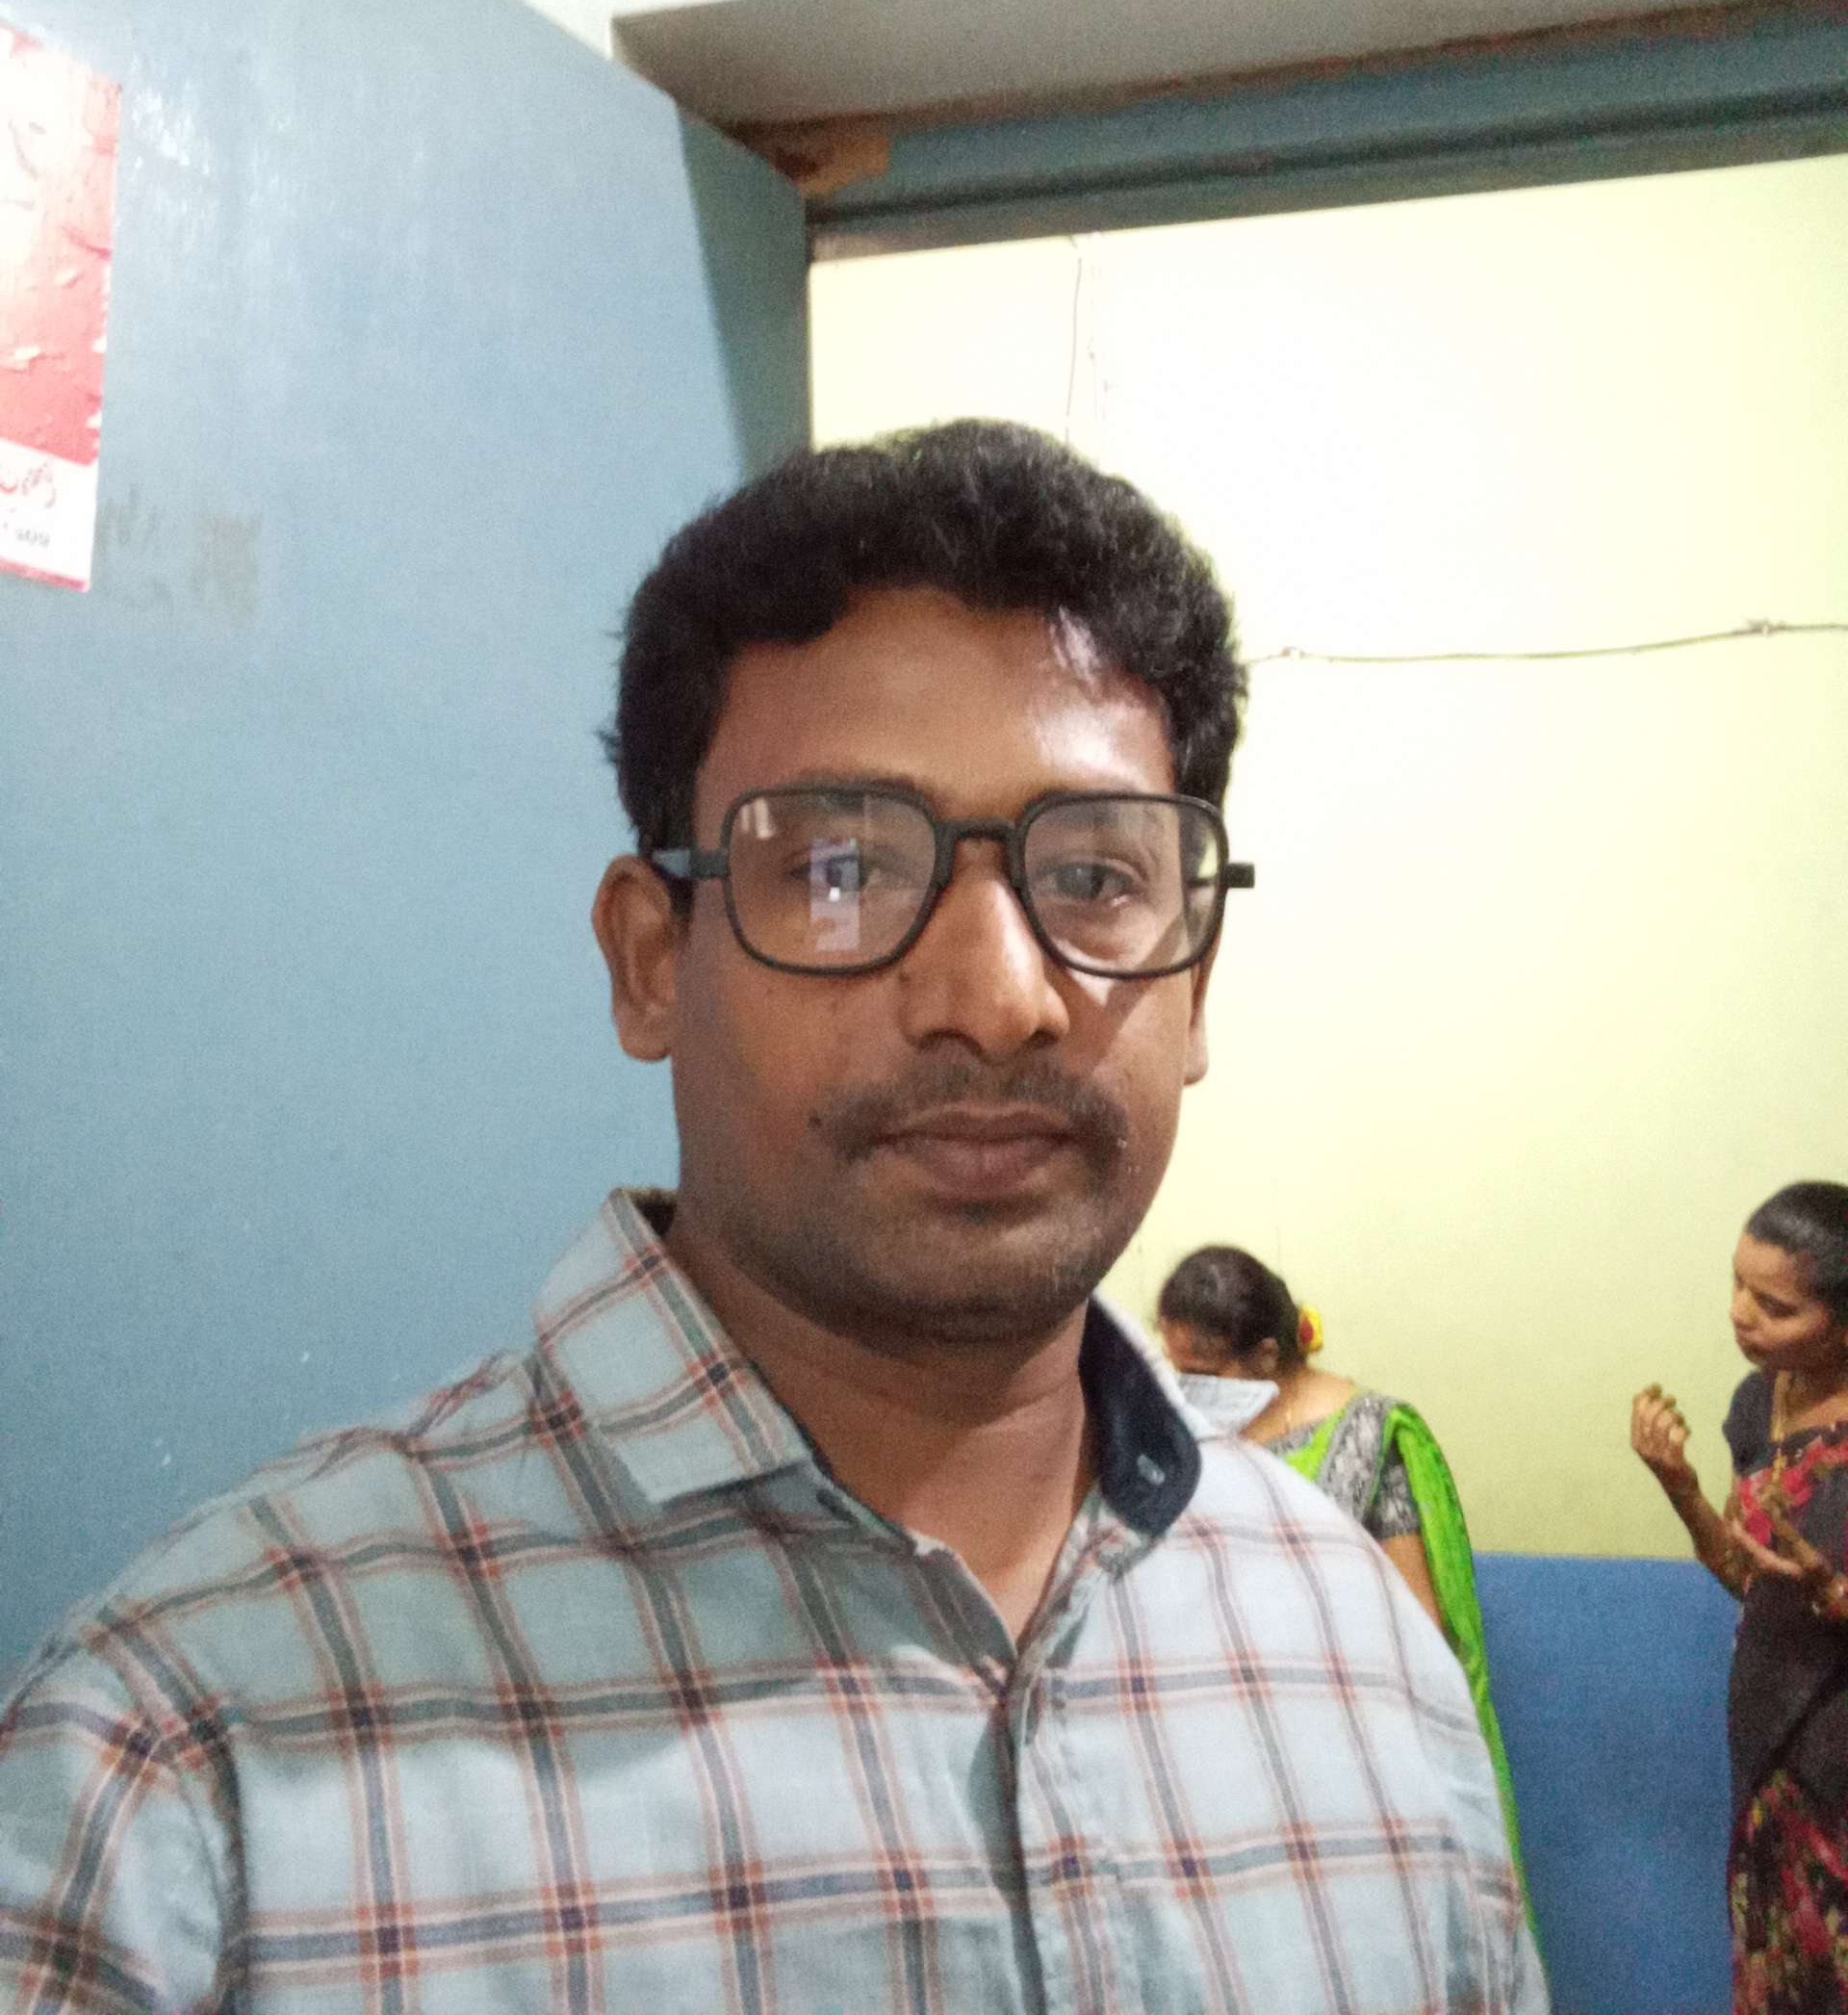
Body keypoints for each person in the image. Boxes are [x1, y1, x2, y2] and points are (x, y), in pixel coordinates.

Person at [0, 419, 1542, 2012]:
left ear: (1196, 983)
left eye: (1095, 880)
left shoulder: (1362, 1658)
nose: (998, 997)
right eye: (843, 869)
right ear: (649, 960)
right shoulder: (190, 1760)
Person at [1157, 1243, 1525, 1878]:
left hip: (1353, 1749)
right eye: (1177, 1371)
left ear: (1265, 1356)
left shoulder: (1369, 1435)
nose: (1190, 1391)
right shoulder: (1195, 1440)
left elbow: (1419, 1626)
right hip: (1228, 1743)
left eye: (1205, 1374)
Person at [1632, 1178, 1848, 2007]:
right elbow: (1746, 1577)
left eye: (1775, 1306)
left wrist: (1834, 1592)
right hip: (1771, 1750)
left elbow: (1816, 1592)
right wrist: (1679, 1486)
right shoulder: (1759, 1402)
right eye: (1737, 1284)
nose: (1740, 1315)